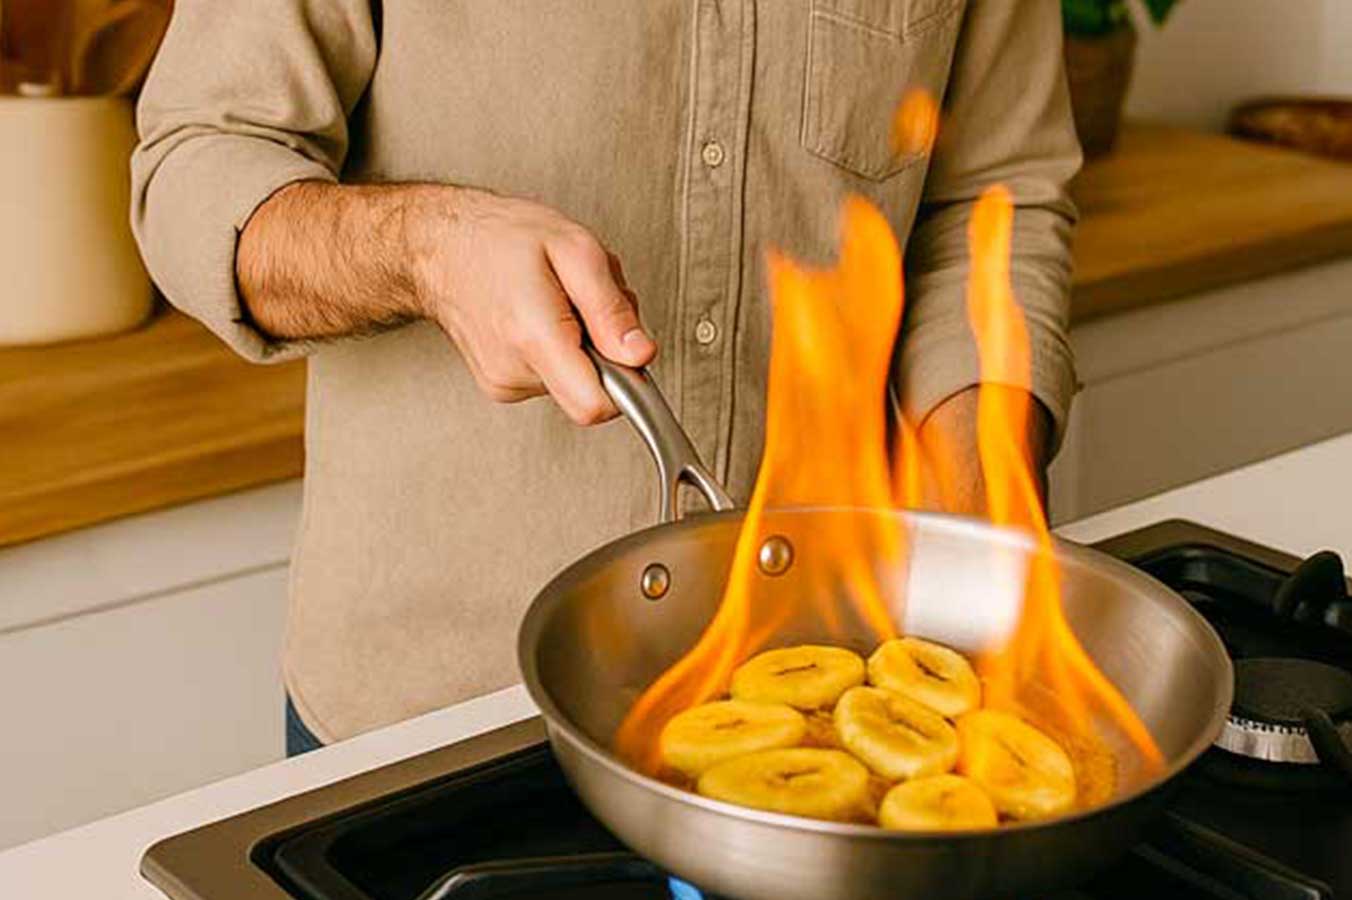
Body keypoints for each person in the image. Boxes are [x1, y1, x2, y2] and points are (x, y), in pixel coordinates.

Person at [131, 0, 1081, 755]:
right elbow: (197, 168)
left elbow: (991, 205)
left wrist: (982, 551)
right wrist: (428, 250)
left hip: (831, 690)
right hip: (440, 721)